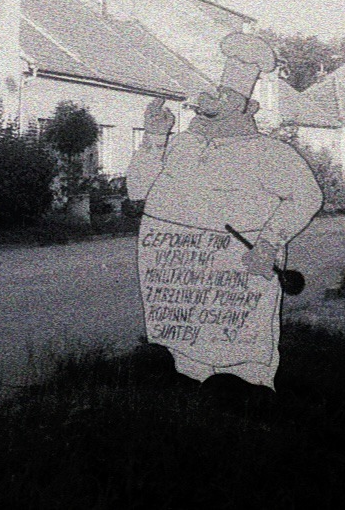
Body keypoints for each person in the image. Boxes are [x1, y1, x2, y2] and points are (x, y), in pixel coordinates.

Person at [126, 33, 322, 390]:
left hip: (235, 278)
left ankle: (246, 396)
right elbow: (138, 189)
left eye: (225, 96)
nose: (210, 102)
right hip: (177, 277)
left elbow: (307, 197)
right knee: (183, 366)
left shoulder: (268, 153)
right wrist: (155, 139)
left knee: (238, 369)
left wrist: (268, 242)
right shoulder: (182, 144)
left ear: (248, 110)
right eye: (215, 92)